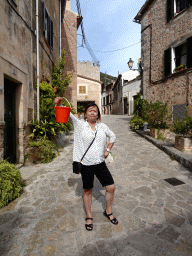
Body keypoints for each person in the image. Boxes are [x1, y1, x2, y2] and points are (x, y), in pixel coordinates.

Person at [54, 97, 118, 231]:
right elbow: (68, 114)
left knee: (111, 187)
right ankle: (89, 215)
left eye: (95, 111)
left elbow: (113, 136)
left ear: (98, 114)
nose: (93, 113)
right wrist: (58, 103)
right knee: (88, 190)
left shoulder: (102, 126)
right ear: (86, 114)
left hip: (100, 163)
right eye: (90, 110)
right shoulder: (80, 124)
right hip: (86, 164)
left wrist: (107, 150)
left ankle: (108, 211)